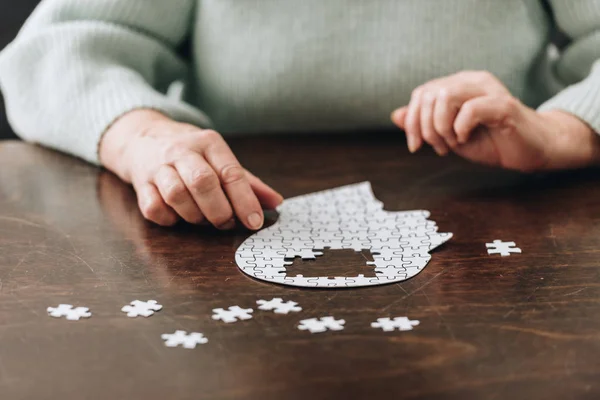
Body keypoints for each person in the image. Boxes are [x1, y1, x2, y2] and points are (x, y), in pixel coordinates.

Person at [1, 1, 600, 231]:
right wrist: (142, 135)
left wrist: (564, 129)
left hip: (519, 206)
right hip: (226, 218)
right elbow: (62, 46)